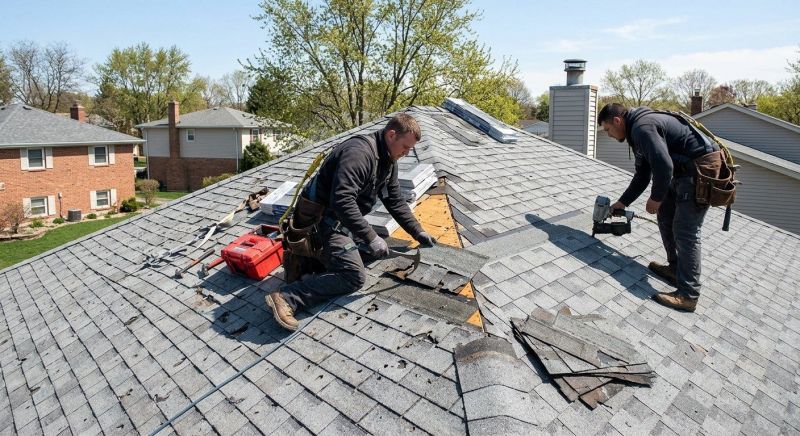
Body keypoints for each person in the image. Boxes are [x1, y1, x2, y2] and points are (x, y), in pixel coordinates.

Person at [266, 114, 436, 330]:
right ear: (391, 134)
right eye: (405, 146)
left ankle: (313, 263)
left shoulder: (388, 160)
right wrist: (370, 236)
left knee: (375, 249)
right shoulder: (359, 154)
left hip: (341, 220)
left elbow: (394, 199)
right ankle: (287, 298)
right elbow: (342, 201)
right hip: (322, 223)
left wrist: (417, 232)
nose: (406, 153)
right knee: (354, 276)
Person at [598, 103, 722, 312]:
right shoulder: (637, 130)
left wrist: (656, 198)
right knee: (665, 216)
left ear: (617, 121)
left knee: (686, 231)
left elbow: (664, 166)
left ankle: (688, 295)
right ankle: (675, 269)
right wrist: (623, 202)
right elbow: (643, 174)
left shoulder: (642, 128)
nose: (609, 135)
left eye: (608, 129)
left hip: (700, 170)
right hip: (683, 172)